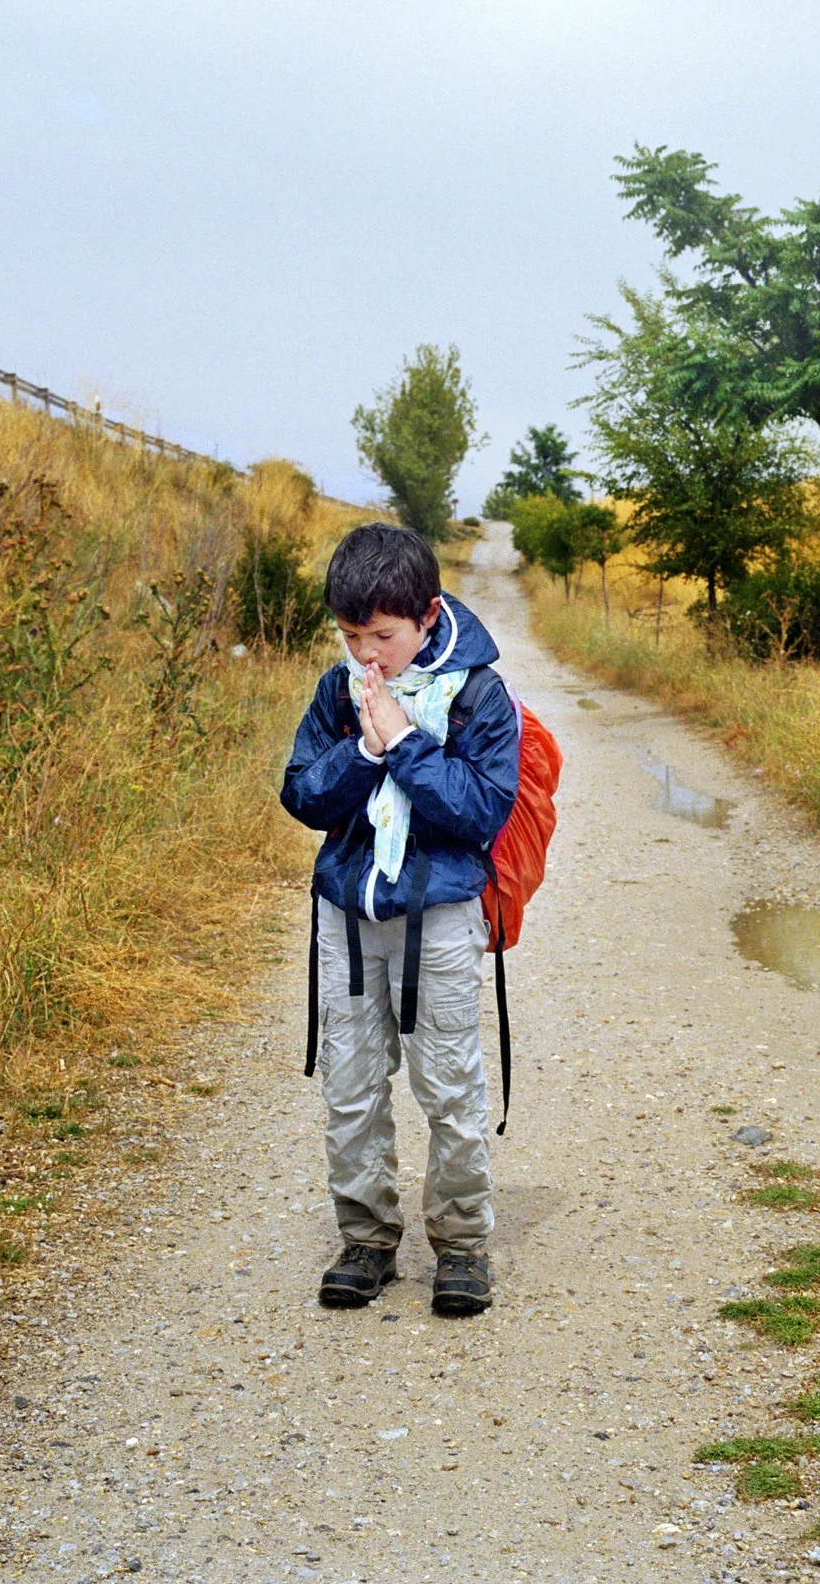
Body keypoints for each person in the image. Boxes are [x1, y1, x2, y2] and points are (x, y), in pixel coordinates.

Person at [280, 522, 520, 1316]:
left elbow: (481, 810)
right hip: (346, 918)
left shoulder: (481, 693)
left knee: (449, 1089)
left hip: (440, 921)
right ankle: (366, 1240)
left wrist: (407, 743)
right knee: (349, 1086)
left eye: (383, 634)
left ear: (427, 612)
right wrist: (365, 752)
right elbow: (302, 795)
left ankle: (462, 1247)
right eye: (352, 636)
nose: (368, 654)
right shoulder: (335, 690)